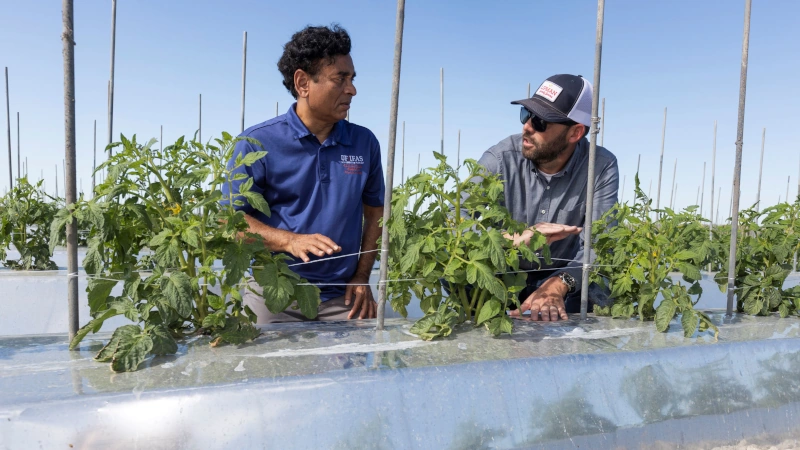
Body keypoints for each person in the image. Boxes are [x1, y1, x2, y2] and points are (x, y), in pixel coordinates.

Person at [222, 25, 385, 323]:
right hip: (274, 293)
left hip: (342, 296)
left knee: (359, 367)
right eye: (340, 79)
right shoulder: (257, 143)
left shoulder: (364, 143)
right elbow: (229, 221)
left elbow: (376, 213)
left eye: (352, 79)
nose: (352, 89)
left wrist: (362, 276)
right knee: (264, 367)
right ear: (303, 83)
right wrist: (289, 241)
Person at [478, 74, 619, 321]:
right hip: (502, 272)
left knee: (601, 285)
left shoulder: (600, 167)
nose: (527, 126)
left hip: (562, 276)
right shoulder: (500, 160)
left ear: (575, 133)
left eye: (541, 122)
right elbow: (453, 227)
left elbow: (600, 245)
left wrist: (559, 283)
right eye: (526, 114)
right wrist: (512, 239)